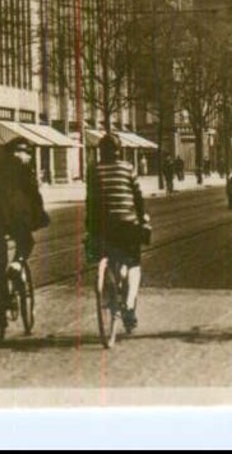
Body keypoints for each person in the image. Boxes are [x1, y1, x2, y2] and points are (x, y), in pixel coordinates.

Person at [0, 139, 49, 328]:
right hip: (15, 219)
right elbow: (34, 197)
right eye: (28, 154)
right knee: (26, 241)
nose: (29, 158)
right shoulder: (23, 170)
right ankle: (17, 263)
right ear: (22, 154)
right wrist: (39, 216)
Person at [85, 132, 150, 332]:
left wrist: (90, 228)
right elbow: (137, 197)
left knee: (107, 254)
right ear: (119, 151)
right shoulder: (128, 168)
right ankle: (129, 306)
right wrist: (143, 218)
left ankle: (109, 285)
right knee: (134, 264)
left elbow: (91, 200)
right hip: (127, 225)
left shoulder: (93, 170)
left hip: (102, 226)